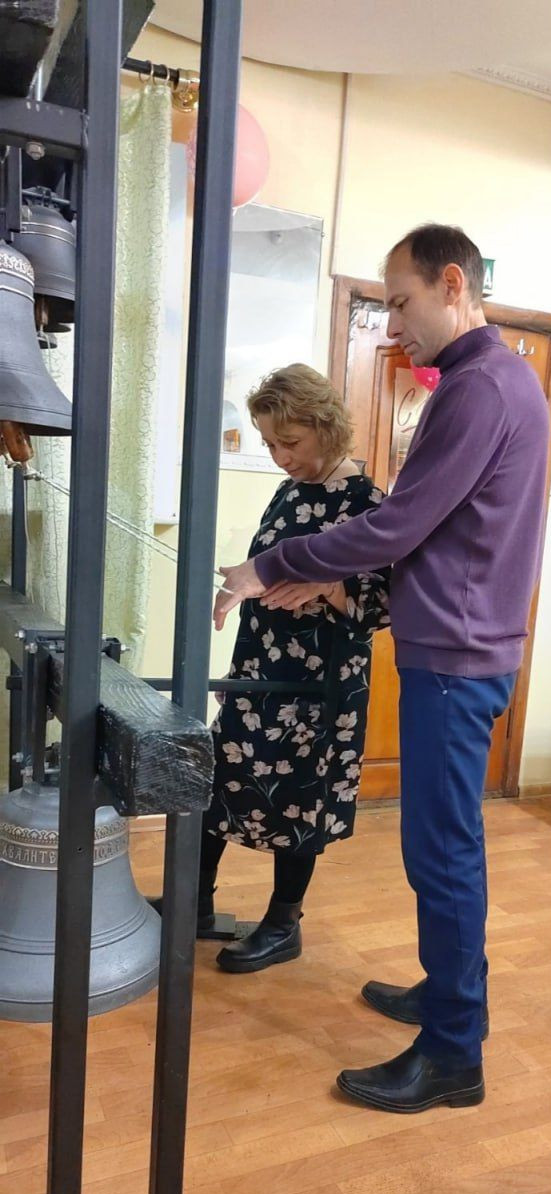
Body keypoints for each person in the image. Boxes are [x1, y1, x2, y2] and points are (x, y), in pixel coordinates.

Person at [213, 224, 549, 1113]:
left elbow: (397, 526)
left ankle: (452, 1053)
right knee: (445, 848)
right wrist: (317, 577)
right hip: (462, 649)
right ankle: (449, 1000)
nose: (393, 325)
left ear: (452, 284)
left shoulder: (478, 386)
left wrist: (267, 568)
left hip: (453, 661)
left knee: (440, 855)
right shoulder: (496, 379)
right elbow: (432, 530)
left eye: (401, 302)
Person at [202, 362, 389, 974]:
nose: (280, 457)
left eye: (290, 442)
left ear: (325, 426)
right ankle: (194, 904)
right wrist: (239, 624)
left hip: (321, 684)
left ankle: (284, 925)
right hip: (260, 671)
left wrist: (329, 587)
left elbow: (385, 602)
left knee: (301, 799)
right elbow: (265, 578)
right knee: (217, 778)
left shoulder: (368, 503)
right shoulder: (289, 492)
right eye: (268, 444)